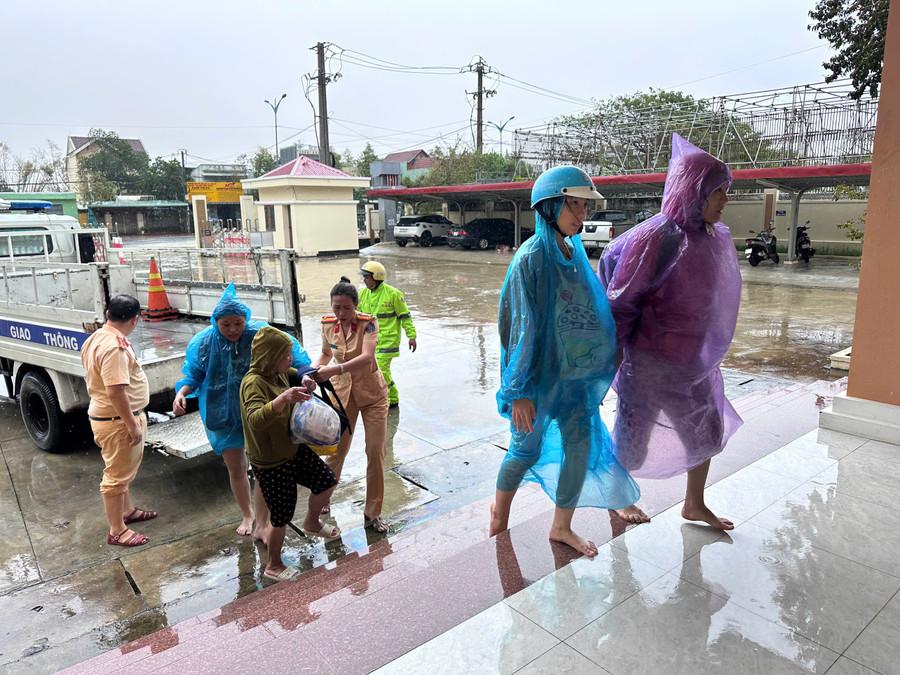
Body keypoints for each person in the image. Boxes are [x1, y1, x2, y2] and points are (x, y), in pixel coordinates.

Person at [491, 166, 641, 558]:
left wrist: (607, 352)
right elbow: (517, 327)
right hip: (538, 381)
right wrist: (519, 390)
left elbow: (591, 311)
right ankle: (498, 516)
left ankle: (561, 526)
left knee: (580, 443)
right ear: (550, 206)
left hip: (573, 377)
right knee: (524, 449)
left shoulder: (572, 252)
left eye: (583, 205)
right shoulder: (531, 259)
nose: (581, 214)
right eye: (573, 205)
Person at [597, 134, 743, 530]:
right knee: (635, 436)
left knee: (707, 430)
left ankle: (694, 503)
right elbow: (622, 301)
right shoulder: (657, 236)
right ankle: (619, 497)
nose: (724, 200)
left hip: (695, 362)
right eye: (718, 192)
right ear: (695, 192)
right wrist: (615, 353)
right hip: (650, 362)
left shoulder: (714, 237)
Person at [172, 283, 313, 539]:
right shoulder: (204, 343)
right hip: (222, 412)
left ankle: (262, 521)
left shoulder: (258, 334)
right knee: (235, 467)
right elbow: (193, 373)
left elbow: (290, 352)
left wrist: (304, 375)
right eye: (226, 325)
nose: (233, 330)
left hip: (259, 409)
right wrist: (181, 393)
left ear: (245, 319)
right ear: (216, 323)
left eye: (237, 323)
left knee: (262, 467)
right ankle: (247, 514)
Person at [241, 326, 339, 582]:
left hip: (292, 447)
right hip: (271, 460)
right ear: (270, 357)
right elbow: (254, 419)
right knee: (281, 515)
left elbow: (298, 372)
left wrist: (304, 378)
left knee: (326, 480)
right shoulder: (253, 383)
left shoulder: (280, 373)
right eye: (285, 355)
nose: (289, 360)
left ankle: (312, 522)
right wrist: (283, 399)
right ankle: (273, 564)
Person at [314, 277, 391, 533]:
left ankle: (373, 513)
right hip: (343, 395)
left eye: (346, 308)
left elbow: (367, 357)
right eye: (337, 307)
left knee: (375, 451)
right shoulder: (327, 325)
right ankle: (323, 496)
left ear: (355, 306)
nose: (341, 313)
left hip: (373, 396)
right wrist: (312, 372)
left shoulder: (368, 324)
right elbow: (325, 354)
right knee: (336, 450)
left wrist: (335, 368)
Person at [81, 294, 155, 547]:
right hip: (117, 421)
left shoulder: (97, 337)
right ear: (135, 320)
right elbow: (115, 390)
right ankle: (117, 531)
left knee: (122, 471)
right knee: (115, 477)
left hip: (109, 418)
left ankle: (127, 511)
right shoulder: (114, 346)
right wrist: (132, 425)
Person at [357, 260, 417, 408]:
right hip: (370, 340)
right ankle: (385, 396)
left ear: (376, 277)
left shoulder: (394, 294)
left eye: (367, 277)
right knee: (371, 370)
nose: (364, 280)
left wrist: (412, 336)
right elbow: (357, 314)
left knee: (381, 370)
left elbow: (405, 316)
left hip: (388, 340)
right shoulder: (363, 294)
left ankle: (391, 398)